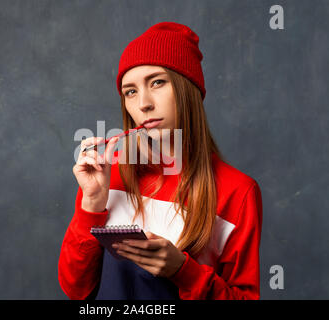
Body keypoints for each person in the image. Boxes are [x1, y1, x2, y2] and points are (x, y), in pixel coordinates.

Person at [58, 21, 263, 300]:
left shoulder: (238, 192)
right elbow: (75, 289)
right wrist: (91, 205)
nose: (143, 103)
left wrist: (183, 271)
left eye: (157, 82)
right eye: (130, 91)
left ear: (188, 89)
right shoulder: (106, 176)